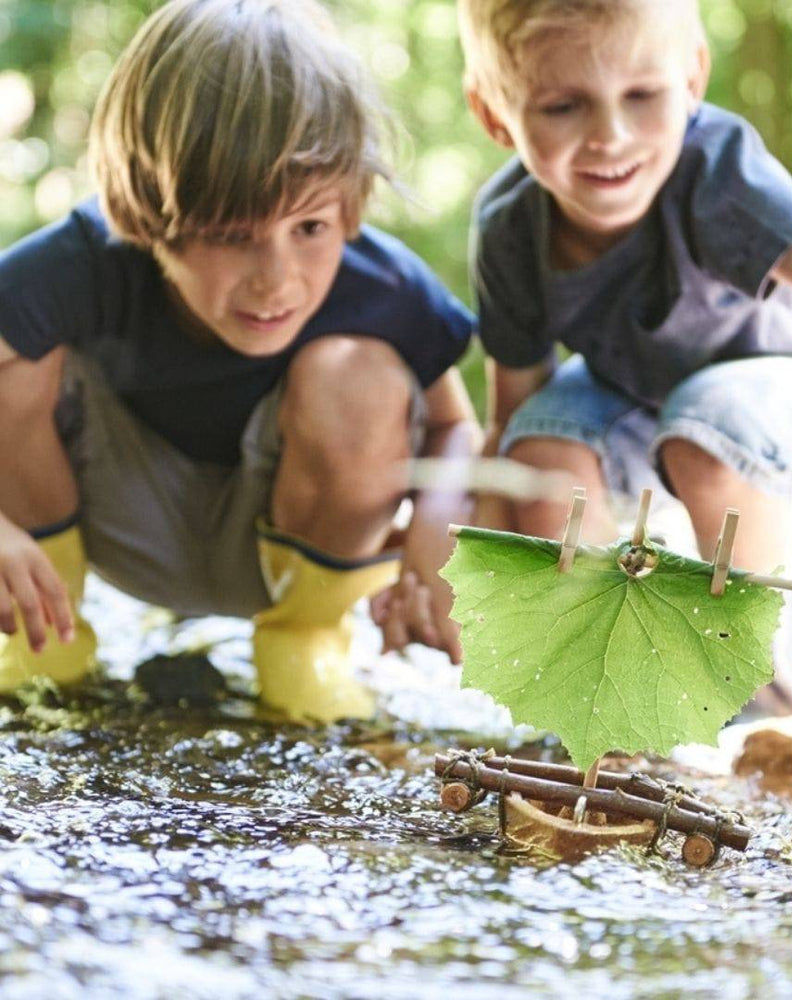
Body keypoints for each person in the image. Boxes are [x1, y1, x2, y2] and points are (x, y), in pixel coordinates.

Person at [457, 0, 792, 711]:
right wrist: (473, 560)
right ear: (493, 116)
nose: (610, 136)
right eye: (561, 106)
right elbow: (513, 417)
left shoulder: (715, 173)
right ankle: (618, 677)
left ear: (693, 75)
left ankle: (752, 677)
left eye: (641, 95)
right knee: (541, 457)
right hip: (650, 399)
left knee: (709, 429)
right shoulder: (510, 226)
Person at [0, 0, 480, 721]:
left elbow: (455, 429)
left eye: (310, 226)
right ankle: (46, 634)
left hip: (293, 547)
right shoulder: (77, 262)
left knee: (361, 375)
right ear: (146, 210)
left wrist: (438, 532)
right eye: (231, 233)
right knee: (14, 360)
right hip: (115, 523)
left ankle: (305, 642)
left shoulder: (382, 285)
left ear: (351, 206)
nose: (277, 277)